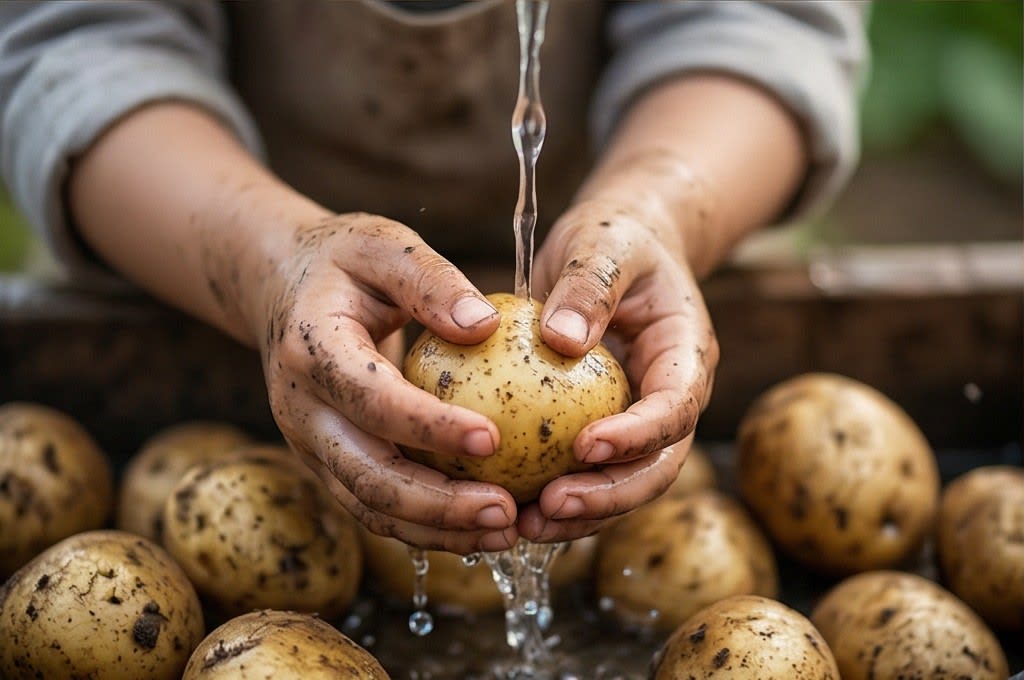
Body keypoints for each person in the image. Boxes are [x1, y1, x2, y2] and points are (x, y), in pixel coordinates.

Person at [0, 1, 868, 554]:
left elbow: (764, 21)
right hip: (178, 252)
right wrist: (266, 262)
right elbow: (76, 38)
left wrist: (664, 208)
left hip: (636, 284)